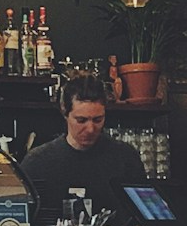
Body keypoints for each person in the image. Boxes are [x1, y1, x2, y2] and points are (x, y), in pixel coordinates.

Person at [18, 76, 146, 208]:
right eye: (81, 120)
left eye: (98, 120)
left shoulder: (125, 159)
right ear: (64, 113)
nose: (90, 129)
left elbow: (146, 215)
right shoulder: (37, 163)